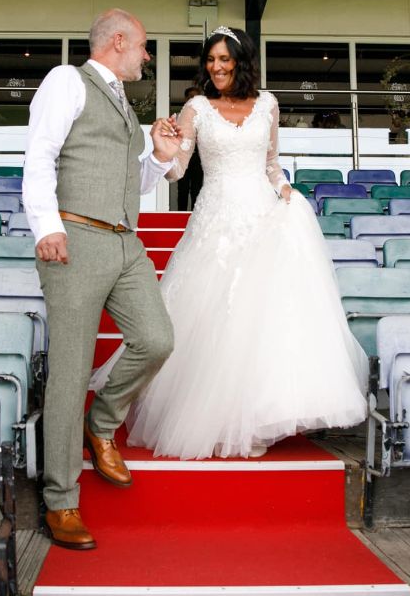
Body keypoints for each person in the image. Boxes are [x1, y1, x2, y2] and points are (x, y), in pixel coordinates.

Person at [114, 26, 370, 460]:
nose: (216, 67)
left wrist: (285, 188)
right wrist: (164, 150)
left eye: (224, 59)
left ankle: (255, 418)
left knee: (259, 321)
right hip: (215, 218)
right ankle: (210, 418)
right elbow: (179, 171)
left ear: (241, 60)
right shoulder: (196, 107)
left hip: (261, 217)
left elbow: (271, 164)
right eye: (210, 60)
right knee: (216, 317)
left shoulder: (267, 104)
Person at [22, 8, 179, 550]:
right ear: (119, 41)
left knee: (158, 338)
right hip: (76, 237)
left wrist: (157, 158)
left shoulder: (121, 103)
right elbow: (39, 155)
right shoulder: (68, 80)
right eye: (143, 47)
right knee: (68, 373)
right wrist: (46, 225)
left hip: (122, 241)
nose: (147, 56)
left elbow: (129, 182)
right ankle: (61, 499)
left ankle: (103, 422)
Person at [175, 86, 205, 210]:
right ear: (186, 98)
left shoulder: (204, 118)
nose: (193, 99)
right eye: (190, 96)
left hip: (199, 156)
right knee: (182, 187)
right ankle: (180, 215)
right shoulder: (179, 116)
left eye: (196, 97)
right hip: (182, 156)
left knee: (197, 188)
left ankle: (193, 215)